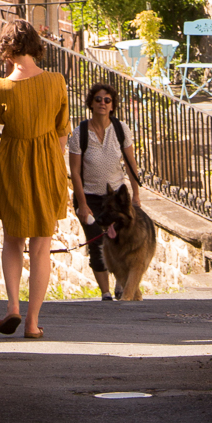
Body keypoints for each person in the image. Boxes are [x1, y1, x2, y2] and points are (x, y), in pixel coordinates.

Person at [0, 18, 70, 340]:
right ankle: (32, 323)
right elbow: (62, 131)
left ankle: (13, 307)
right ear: (34, 45)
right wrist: (54, 163)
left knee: (13, 240)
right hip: (47, 162)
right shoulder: (56, 82)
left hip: (14, 162)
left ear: (6, 48)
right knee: (42, 245)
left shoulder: (0, 86)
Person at [67, 82, 144, 299]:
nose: (102, 103)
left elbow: (131, 165)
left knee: (119, 241)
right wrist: (82, 204)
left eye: (107, 100)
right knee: (97, 242)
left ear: (112, 105)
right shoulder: (80, 132)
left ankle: (121, 284)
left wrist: (136, 195)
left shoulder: (120, 130)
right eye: (98, 99)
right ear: (91, 103)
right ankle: (106, 293)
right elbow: (75, 172)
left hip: (116, 200)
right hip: (89, 197)